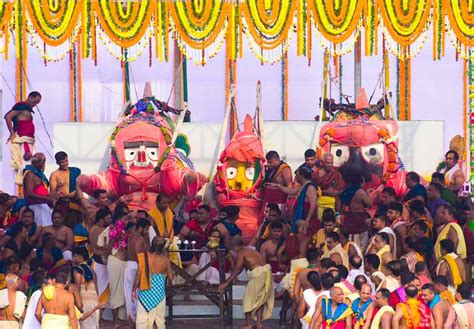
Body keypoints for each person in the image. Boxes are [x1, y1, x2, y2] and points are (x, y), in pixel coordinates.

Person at [219, 236, 274, 329]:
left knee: (247, 299)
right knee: (259, 300)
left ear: (235, 246)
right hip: (265, 273)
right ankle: (259, 324)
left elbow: (238, 268)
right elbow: (241, 268)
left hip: (259, 275)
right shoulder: (250, 250)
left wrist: (226, 283)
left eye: (232, 247)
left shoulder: (241, 252)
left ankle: (248, 324)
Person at [133, 237, 174, 329]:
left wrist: (133, 289)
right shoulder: (165, 260)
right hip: (158, 293)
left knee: (141, 318)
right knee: (159, 320)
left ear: (152, 244)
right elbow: (171, 277)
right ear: (163, 247)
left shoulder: (144, 257)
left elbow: (138, 275)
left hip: (145, 291)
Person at [4, 91, 42, 184]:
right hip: (23, 140)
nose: (35, 105)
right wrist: (12, 133)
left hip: (29, 140)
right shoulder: (21, 107)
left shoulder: (27, 109)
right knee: (25, 164)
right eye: (35, 102)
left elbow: (16, 122)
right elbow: (8, 117)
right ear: (29, 97)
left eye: (37, 103)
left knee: (32, 164)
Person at [271, 165, 318, 235]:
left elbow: (313, 204)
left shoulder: (310, 187)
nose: (295, 178)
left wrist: (307, 220)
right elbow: (291, 191)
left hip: (305, 219)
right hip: (300, 219)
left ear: (301, 176)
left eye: (297, 175)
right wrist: (279, 186)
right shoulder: (303, 186)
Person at [125, 218, 150, 323]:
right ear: (140, 228)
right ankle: (137, 321)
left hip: (129, 265)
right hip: (137, 267)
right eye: (146, 229)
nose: (147, 232)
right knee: (136, 294)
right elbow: (138, 256)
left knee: (129, 294)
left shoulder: (131, 236)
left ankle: (131, 319)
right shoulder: (139, 239)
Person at [23, 153, 59, 227]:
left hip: (43, 206)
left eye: (44, 162)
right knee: (41, 229)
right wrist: (47, 198)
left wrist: (52, 196)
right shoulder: (30, 174)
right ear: (34, 162)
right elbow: (29, 193)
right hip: (36, 207)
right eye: (42, 162)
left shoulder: (38, 174)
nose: (43, 165)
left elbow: (41, 191)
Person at [339, 174, 372, 250]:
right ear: (360, 183)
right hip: (359, 222)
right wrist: (368, 193)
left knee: (349, 244)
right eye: (363, 182)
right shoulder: (360, 191)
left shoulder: (347, 190)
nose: (364, 184)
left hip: (348, 219)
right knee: (360, 246)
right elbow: (369, 204)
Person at [49, 151, 82, 228]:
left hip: (75, 204)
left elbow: (80, 188)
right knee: (62, 227)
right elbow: (52, 193)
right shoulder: (55, 175)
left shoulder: (75, 171)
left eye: (66, 161)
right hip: (62, 205)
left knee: (76, 228)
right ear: (57, 162)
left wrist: (71, 195)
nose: (65, 163)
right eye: (62, 162)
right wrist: (58, 195)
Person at [88, 207, 114, 304]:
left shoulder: (104, 229)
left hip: (105, 262)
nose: (110, 220)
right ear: (100, 220)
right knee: (102, 288)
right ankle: (101, 316)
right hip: (100, 262)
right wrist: (114, 240)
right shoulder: (96, 230)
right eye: (108, 219)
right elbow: (102, 247)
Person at [71, 247, 101, 329]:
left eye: (74, 256)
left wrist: (78, 305)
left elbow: (77, 289)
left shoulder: (77, 270)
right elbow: (96, 288)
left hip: (84, 303)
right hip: (94, 303)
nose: (72, 258)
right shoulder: (92, 270)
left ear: (80, 257)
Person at [312, 153, 345, 218]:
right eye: (328, 163)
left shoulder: (335, 173)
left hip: (333, 203)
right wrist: (324, 191)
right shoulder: (316, 174)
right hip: (318, 204)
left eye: (331, 163)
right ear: (322, 162)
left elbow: (342, 189)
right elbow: (312, 190)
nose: (330, 165)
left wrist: (336, 192)